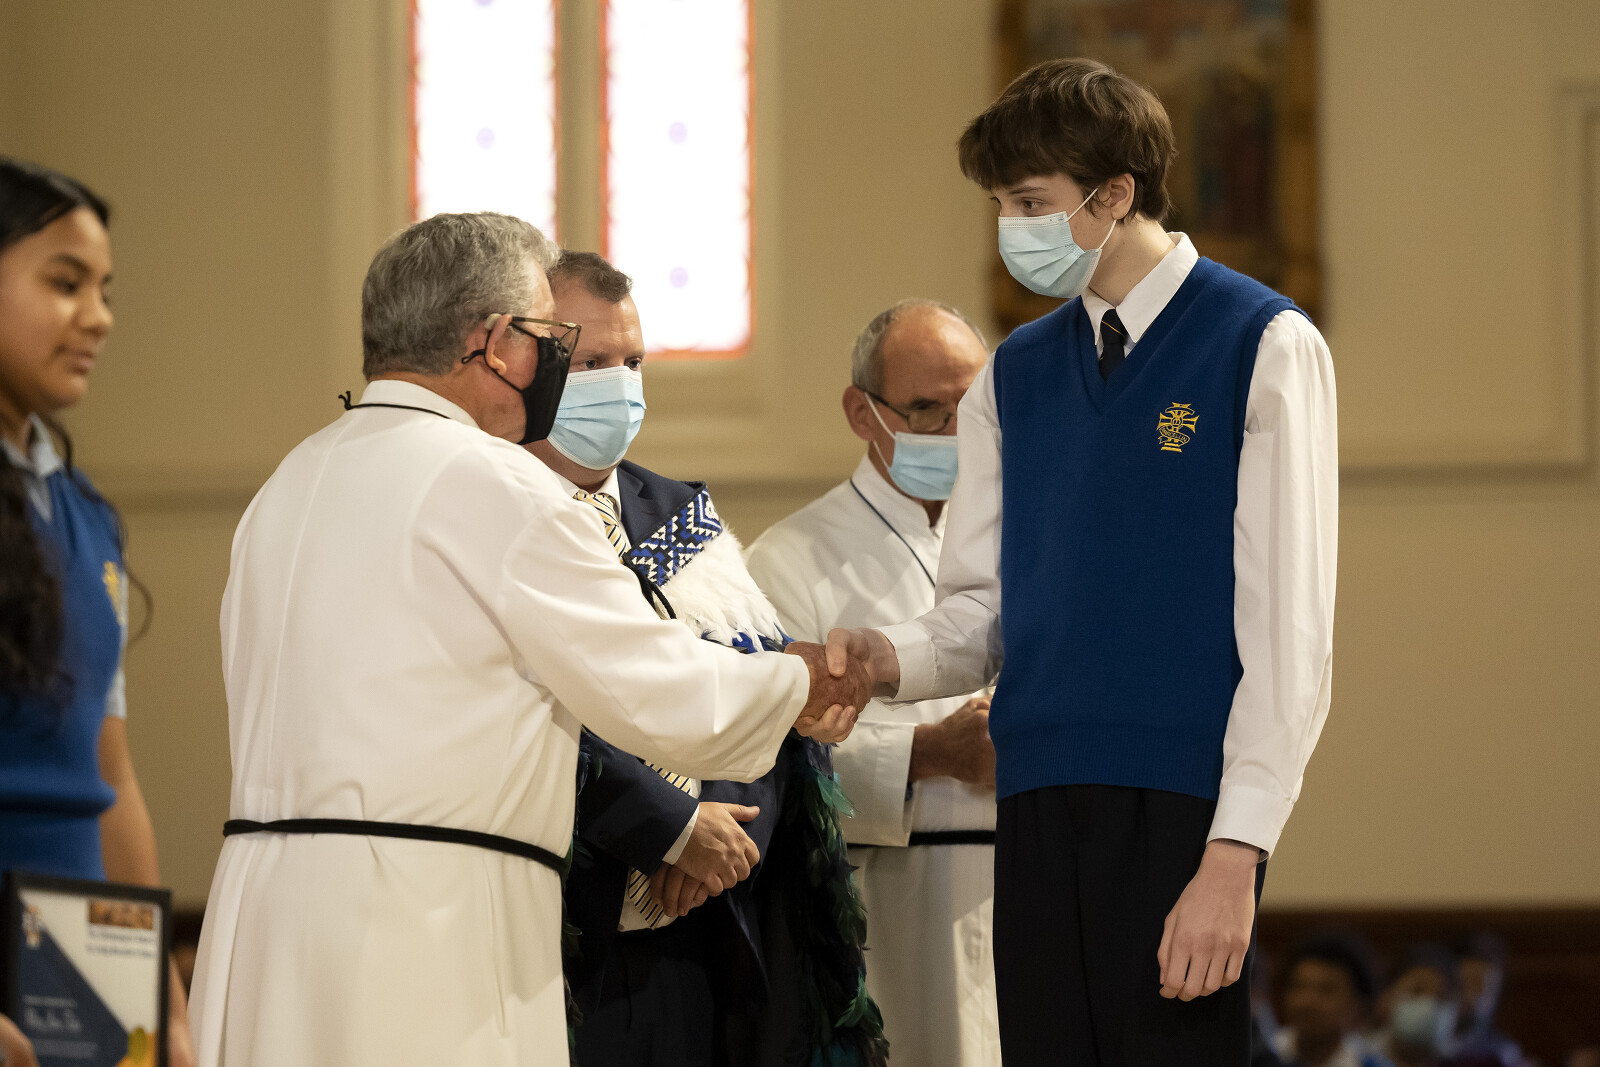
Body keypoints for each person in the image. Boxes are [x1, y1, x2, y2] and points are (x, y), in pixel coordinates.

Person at [185, 212, 869, 1067]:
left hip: (266, 921)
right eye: (554, 343)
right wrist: (800, 681)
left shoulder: (288, 482)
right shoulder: (493, 479)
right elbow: (653, 686)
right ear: (497, 343)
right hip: (425, 921)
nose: (555, 366)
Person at [824, 57, 1339, 1066]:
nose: (1010, 227)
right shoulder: (1011, 373)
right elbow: (979, 613)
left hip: (1182, 806)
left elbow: (1291, 635)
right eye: (1000, 204)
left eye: (1030, 202)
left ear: (1114, 195)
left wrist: (1236, 852)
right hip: (1036, 803)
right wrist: (883, 658)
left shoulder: (1263, 342)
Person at [534, 251, 884, 1066]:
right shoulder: (503, 509)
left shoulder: (678, 511)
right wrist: (669, 827)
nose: (620, 384)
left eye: (633, 361)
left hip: (710, 920)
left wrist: (719, 827)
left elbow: (756, 680)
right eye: (592, 361)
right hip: (570, 922)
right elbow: (541, 704)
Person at [745, 298, 1000, 1066]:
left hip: (1024, 889)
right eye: (926, 411)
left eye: (971, 408)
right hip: (885, 904)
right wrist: (930, 752)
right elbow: (763, 756)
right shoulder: (789, 559)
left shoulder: (1025, 537)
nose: (954, 432)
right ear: (863, 412)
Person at [0, 158, 196, 1067]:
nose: (100, 317)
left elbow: (109, 772)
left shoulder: (85, 514)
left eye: (105, 291)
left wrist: (164, 1004)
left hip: (84, 973)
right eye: (65, 282)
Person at [1273, 933, 1391, 1067]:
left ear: (1357, 1005)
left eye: (1326, 990)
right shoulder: (1264, 1053)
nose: (1307, 1001)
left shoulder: (1369, 1063)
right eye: (1299, 986)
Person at [1450, 933, 1524, 1067]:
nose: (1478, 995)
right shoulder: (1429, 1048)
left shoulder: (1507, 1053)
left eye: (1489, 988)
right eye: (1471, 983)